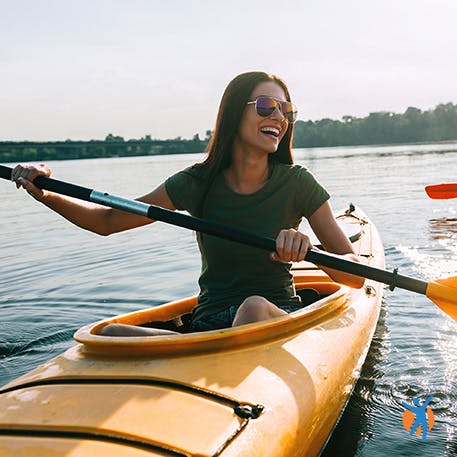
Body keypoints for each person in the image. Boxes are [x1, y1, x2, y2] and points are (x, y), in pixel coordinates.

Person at [11, 71, 364, 336]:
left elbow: (354, 276)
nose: (279, 117)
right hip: (208, 324)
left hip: (271, 315)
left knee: (253, 307)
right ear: (232, 114)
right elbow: (107, 221)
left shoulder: (297, 183)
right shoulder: (196, 182)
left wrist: (307, 250)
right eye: (267, 106)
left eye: (287, 110)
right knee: (109, 333)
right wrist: (45, 191)